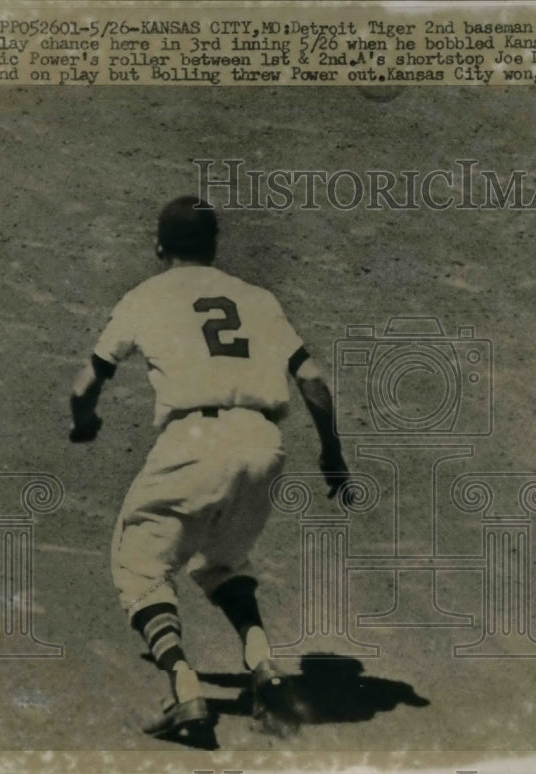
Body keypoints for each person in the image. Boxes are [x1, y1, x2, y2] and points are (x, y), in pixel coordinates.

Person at [68, 195, 350, 741]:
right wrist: (332, 455)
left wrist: (84, 424)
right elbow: (312, 381)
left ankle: (186, 691)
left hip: (194, 442)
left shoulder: (144, 296)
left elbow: (85, 386)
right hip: (265, 446)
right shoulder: (256, 298)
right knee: (221, 561)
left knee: (138, 565)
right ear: (214, 247)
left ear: (159, 247)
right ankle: (263, 665)